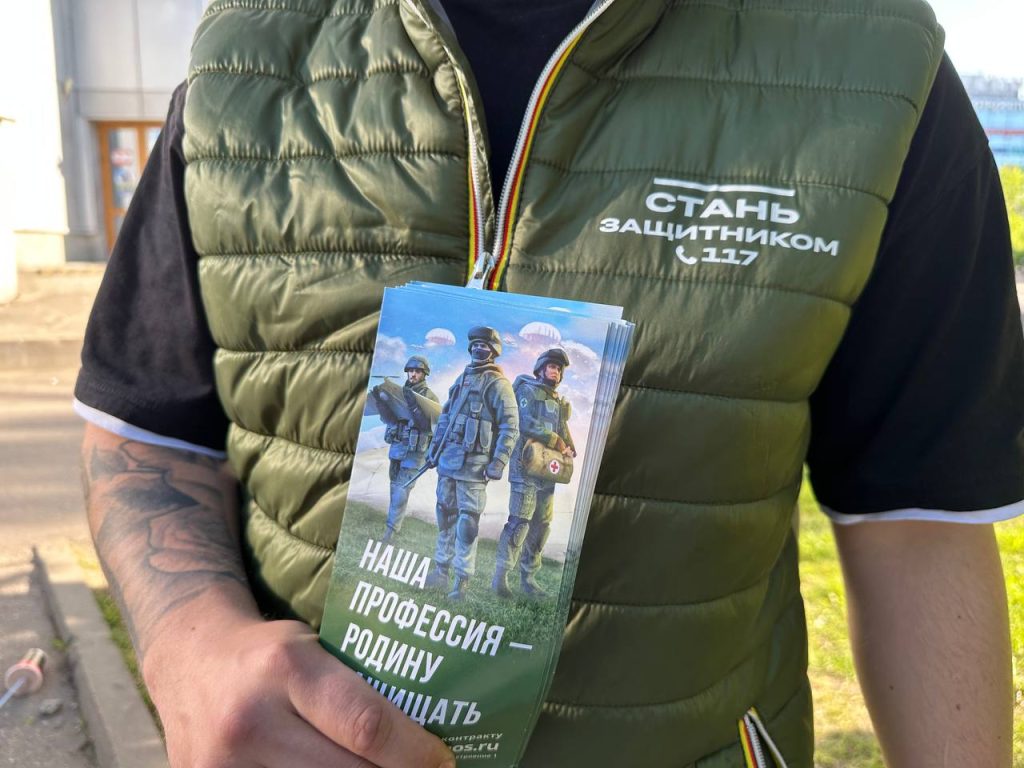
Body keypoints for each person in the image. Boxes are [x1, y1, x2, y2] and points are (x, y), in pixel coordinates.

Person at [74, 0, 1023, 765]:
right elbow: (148, 433)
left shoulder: (868, 61)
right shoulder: (248, 49)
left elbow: (919, 527)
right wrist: (189, 647)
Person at [423, 327, 518, 600]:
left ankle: (461, 581)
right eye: (475, 344)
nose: (478, 348)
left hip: (475, 466)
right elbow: (446, 417)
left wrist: (498, 461)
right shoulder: (462, 378)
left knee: (467, 524)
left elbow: (510, 426)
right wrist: (434, 449)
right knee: (445, 516)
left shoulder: (498, 384)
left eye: (484, 345)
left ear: (494, 351)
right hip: (448, 460)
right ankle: (441, 571)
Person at [492, 348, 576, 599]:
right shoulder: (527, 391)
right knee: (519, 522)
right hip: (525, 466)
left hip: (547, 471)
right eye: (552, 366)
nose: (556, 371)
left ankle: (528, 578)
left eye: (559, 368)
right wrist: (554, 439)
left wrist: (569, 447)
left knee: (542, 526)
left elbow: (563, 428)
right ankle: (500, 578)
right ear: (540, 368)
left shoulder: (558, 401)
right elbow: (524, 420)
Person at [369, 355, 439, 543]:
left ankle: (391, 531)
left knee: (401, 489)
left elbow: (427, 426)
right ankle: (393, 524)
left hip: (415, 452)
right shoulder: (399, 393)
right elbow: (390, 420)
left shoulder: (429, 397)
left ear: (424, 374)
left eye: (417, 371)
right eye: (411, 371)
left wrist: (415, 405)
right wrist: (381, 403)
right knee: (394, 486)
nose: (413, 374)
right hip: (398, 447)